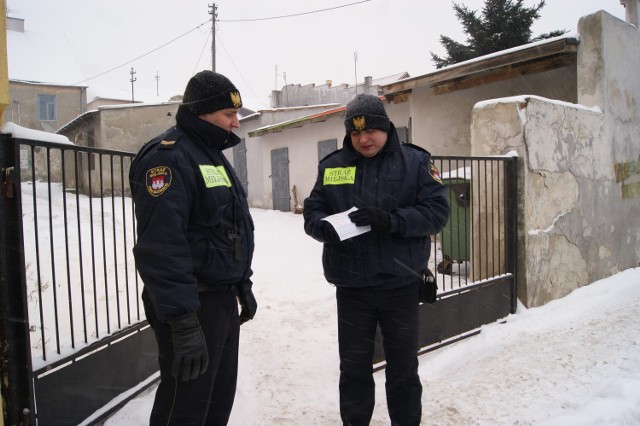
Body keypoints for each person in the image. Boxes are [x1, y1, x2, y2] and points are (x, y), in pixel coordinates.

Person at [303, 94, 450, 425]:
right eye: (355, 133)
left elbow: (437, 212)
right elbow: (314, 210)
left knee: (403, 369)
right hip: (353, 288)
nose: (363, 139)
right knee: (353, 370)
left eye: (370, 131)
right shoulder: (333, 166)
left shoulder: (415, 163)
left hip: (400, 286)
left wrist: (392, 220)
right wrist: (322, 227)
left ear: (385, 127)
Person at [129, 70, 257, 425]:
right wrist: (183, 322)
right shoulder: (168, 158)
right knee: (184, 409)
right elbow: (161, 247)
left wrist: (241, 283)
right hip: (189, 306)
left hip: (219, 301)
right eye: (228, 115)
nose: (235, 124)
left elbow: (228, 227)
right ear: (203, 111)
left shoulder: (210, 155)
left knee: (216, 404)